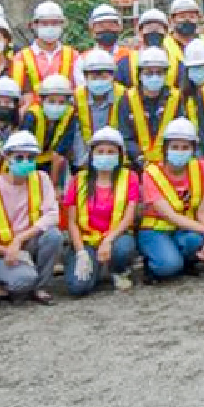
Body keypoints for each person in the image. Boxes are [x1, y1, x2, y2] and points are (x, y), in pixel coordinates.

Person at [0, 130, 63, 305]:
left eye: (30, 158)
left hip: (26, 243)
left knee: (54, 236)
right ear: (7, 158)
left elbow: (52, 215)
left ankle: (39, 287)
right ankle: (10, 281)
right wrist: (7, 250)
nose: (25, 162)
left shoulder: (42, 179)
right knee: (25, 279)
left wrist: (19, 240)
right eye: (19, 157)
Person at [61, 127, 140, 296]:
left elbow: (129, 216)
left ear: (119, 156)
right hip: (86, 240)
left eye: (111, 152)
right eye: (100, 151)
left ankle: (118, 270)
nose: (105, 155)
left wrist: (108, 240)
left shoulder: (129, 177)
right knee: (78, 288)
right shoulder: (78, 180)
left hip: (116, 237)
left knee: (124, 248)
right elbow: (72, 222)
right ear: (92, 154)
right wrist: (81, 252)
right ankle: (92, 266)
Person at [139, 118, 204, 282]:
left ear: (193, 149)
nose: (180, 151)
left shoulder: (202, 168)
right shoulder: (151, 173)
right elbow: (170, 216)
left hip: (186, 229)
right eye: (175, 147)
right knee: (169, 266)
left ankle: (186, 262)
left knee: (196, 241)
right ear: (166, 148)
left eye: (185, 147)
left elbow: (202, 210)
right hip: (156, 230)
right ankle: (153, 265)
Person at [124, 46, 184, 166]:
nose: (154, 77)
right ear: (140, 74)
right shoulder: (127, 98)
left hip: (169, 164)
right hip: (136, 165)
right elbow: (125, 136)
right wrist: (140, 159)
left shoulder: (176, 97)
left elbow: (180, 133)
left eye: (159, 73)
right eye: (149, 73)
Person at [13, 1, 76, 95]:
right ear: (34, 25)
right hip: (32, 108)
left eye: (55, 23)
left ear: (62, 25)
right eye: (44, 23)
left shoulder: (74, 56)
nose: (50, 27)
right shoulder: (20, 58)